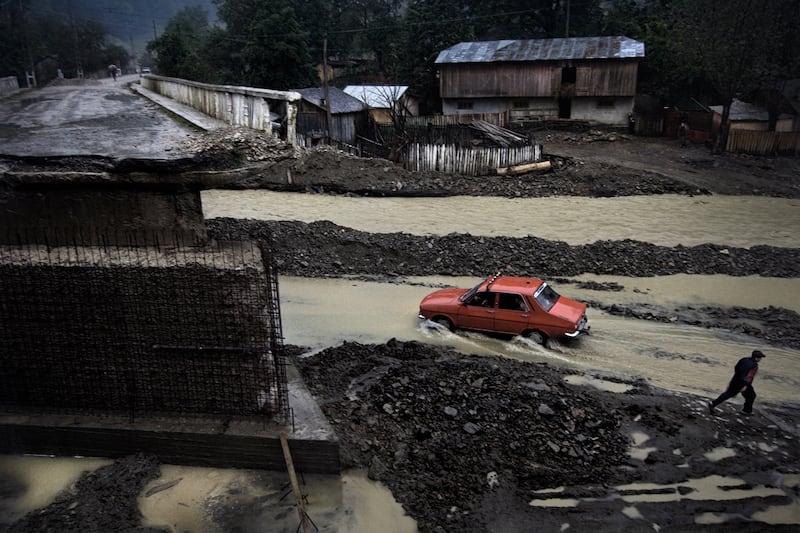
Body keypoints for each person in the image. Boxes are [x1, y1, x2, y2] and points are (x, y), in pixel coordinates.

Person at [709, 350, 765, 415]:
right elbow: (749, 376)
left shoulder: (744, 359)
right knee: (751, 395)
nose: (760, 359)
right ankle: (746, 411)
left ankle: (713, 403)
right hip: (743, 383)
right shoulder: (754, 365)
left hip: (735, 380)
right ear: (756, 358)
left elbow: (736, 367)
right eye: (760, 358)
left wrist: (737, 376)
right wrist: (745, 386)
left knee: (728, 394)